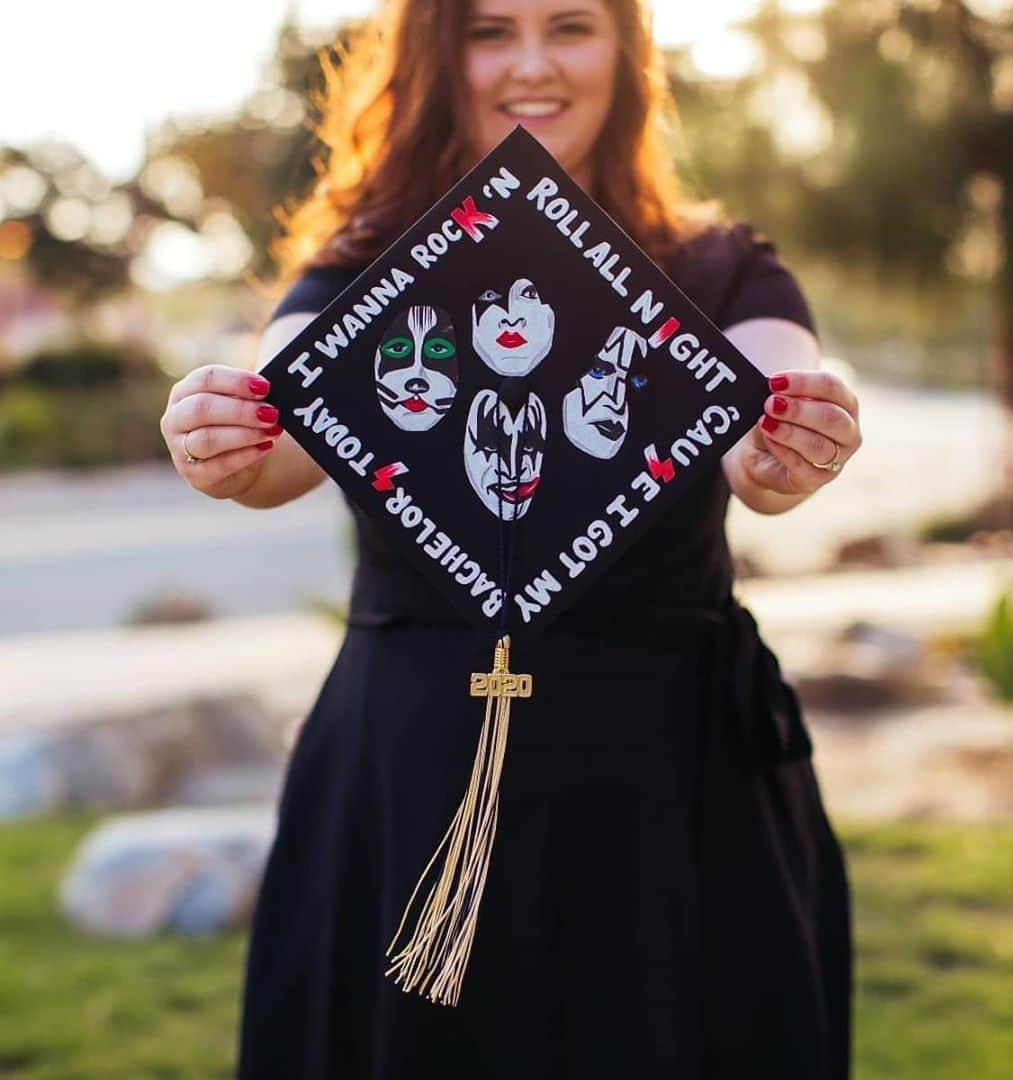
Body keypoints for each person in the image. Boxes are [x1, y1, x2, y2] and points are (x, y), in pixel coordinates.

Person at [158, 1, 862, 1075]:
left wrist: (791, 438)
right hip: (421, 776)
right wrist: (225, 435)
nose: (532, 64)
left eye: (570, 25)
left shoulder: (719, 268)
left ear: (627, 52)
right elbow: (280, 434)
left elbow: (767, 407)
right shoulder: (361, 273)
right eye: (491, 31)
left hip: (673, 778)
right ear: (440, 57)